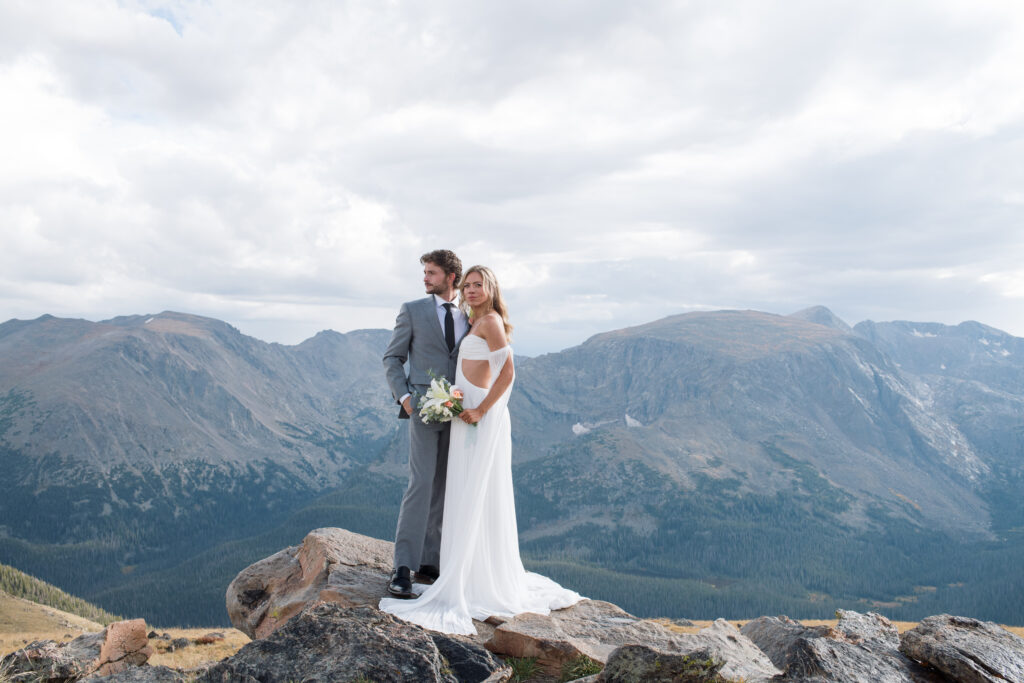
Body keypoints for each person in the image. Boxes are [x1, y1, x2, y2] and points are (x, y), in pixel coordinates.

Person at [379, 265, 583, 635]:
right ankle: (419, 566)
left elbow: (508, 372)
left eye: (478, 285)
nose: (471, 290)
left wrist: (482, 409)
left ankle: (467, 574)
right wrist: (411, 397)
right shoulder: (464, 318)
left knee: (472, 489)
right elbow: (402, 357)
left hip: (475, 413)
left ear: (489, 288)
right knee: (444, 485)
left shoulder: (488, 321)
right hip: (451, 408)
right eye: (469, 285)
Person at [383, 249, 469, 598]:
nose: (425, 278)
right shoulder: (413, 311)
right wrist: (405, 398)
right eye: (425, 273)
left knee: (446, 484)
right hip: (423, 408)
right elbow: (393, 357)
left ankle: (431, 563)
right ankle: (402, 567)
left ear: (451, 277)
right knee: (420, 483)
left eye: (432, 273)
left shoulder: (470, 314)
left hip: (461, 412)